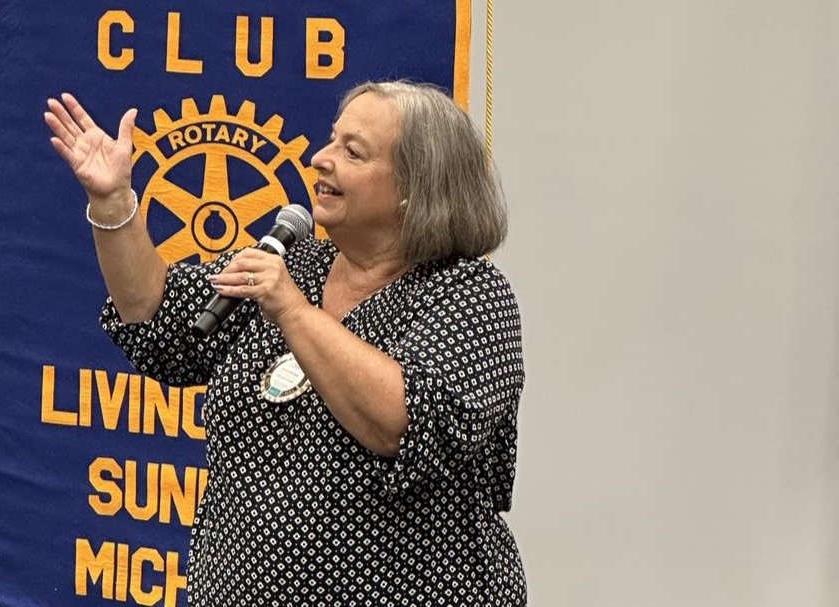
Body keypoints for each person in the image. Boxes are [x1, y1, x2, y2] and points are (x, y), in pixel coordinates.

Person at [44, 80, 527, 606]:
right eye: (332, 139)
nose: (321, 158)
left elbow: (405, 425)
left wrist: (294, 311)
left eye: (352, 152)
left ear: (416, 186)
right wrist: (113, 202)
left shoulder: (470, 294)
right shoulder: (294, 263)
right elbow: (154, 316)